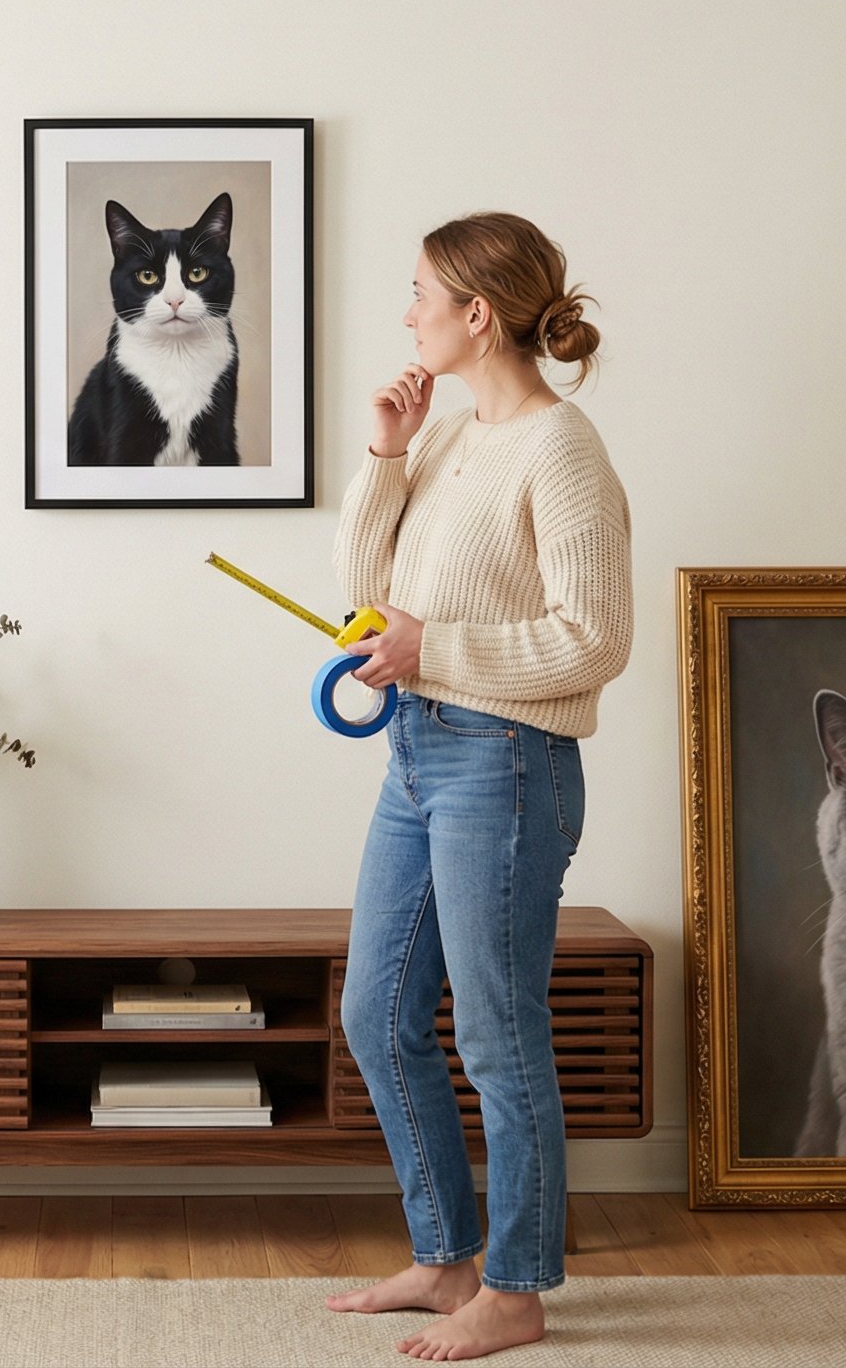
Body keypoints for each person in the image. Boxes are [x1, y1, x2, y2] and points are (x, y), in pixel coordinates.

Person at [322, 211, 633, 1361]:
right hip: (421, 752)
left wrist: (431, 648)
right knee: (377, 1011)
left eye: (417, 294)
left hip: (506, 763)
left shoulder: (562, 449)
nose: (404, 315)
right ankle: (446, 1257)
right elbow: (361, 601)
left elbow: (595, 639)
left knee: (498, 1035)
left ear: (476, 315)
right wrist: (386, 453)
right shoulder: (449, 438)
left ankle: (516, 1286)